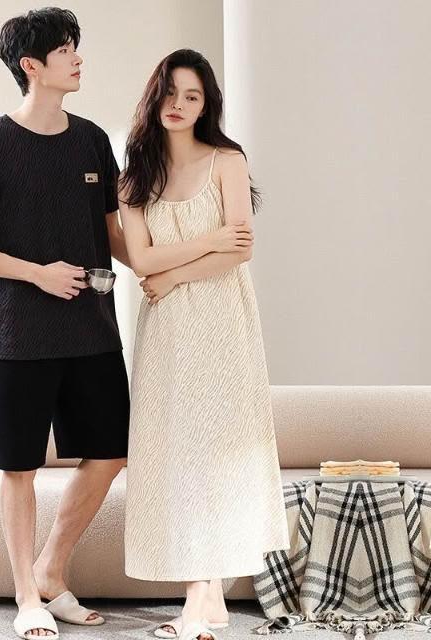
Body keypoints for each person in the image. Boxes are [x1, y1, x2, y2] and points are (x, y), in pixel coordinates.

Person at [0, 8, 132, 639]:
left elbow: (113, 234)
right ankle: (26, 597)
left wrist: (170, 268)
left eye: (76, 47)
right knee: (18, 466)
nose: (78, 58)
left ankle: (51, 569)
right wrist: (36, 274)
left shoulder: (92, 140)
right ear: (31, 65)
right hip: (17, 335)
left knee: (111, 452)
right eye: (66, 49)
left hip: (93, 330)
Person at [118, 49, 291, 640]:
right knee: (176, 455)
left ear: (205, 105)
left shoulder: (227, 161)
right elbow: (140, 258)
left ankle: (199, 600)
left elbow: (239, 251)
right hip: (166, 332)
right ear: (154, 98)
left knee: (214, 451)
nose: (178, 105)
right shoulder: (134, 178)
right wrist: (207, 241)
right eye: (170, 93)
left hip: (222, 322)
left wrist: (174, 275)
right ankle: (207, 598)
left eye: (191, 96)